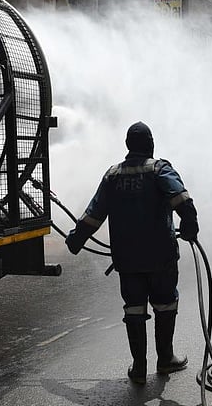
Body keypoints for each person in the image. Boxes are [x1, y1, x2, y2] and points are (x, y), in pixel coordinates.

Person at [65, 122, 199, 385]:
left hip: (127, 260)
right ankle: (165, 359)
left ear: (128, 146)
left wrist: (76, 240)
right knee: (165, 304)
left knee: (134, 308)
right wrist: (190, 225)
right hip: (161, 257)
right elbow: (182, 200)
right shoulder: (159, 169)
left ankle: (139, 368)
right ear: (150, 144)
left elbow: (94, 215)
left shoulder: (112, 176)